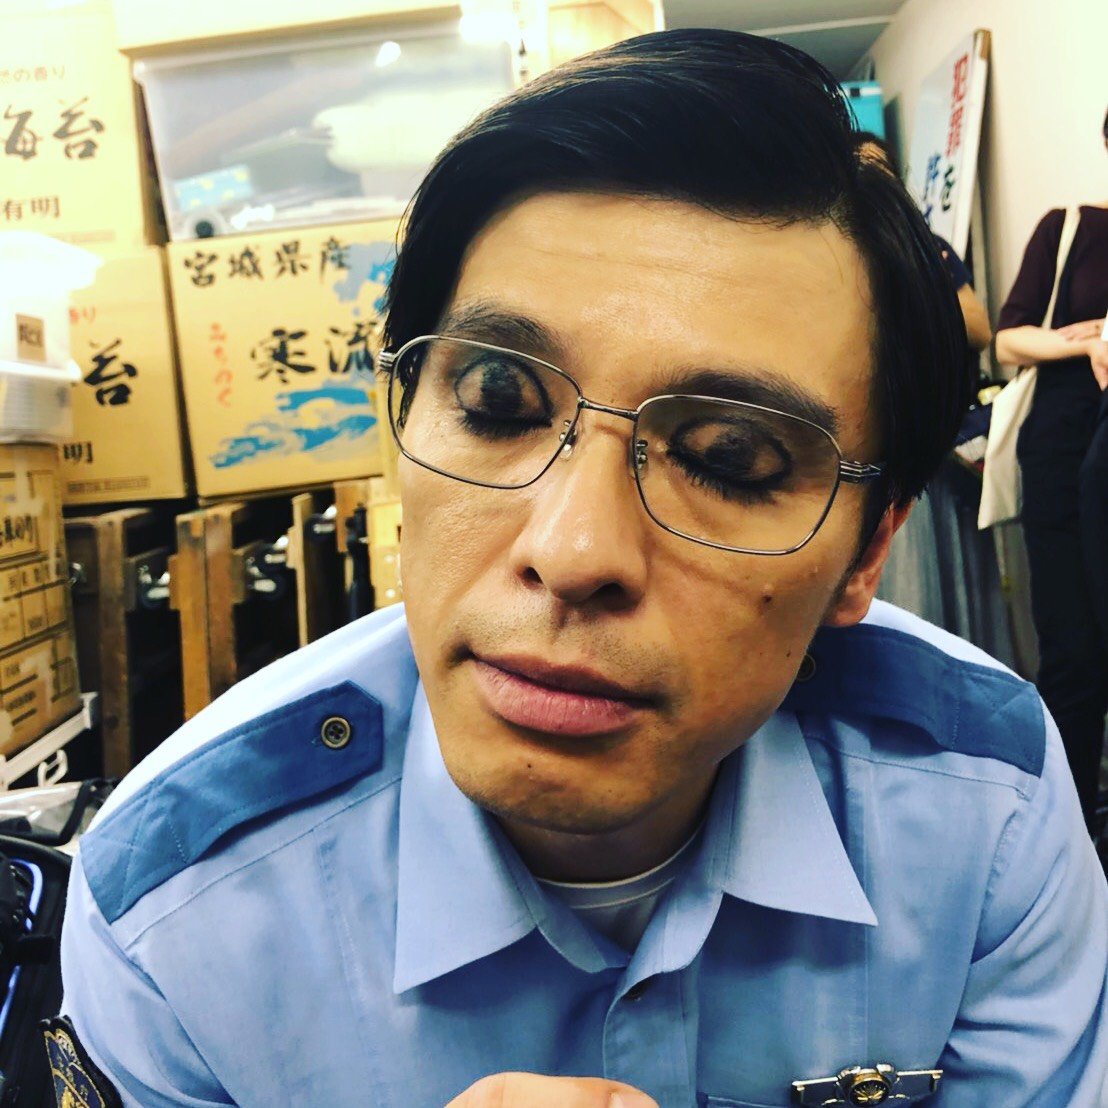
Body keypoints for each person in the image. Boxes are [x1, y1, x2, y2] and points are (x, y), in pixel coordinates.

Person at [49, 31, 1107, 1108]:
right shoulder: (172, 912)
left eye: (729, 460)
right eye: (497, 402)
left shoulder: (987, 812)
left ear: (865, 553)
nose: (569, 552)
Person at [994, 109, 1108, 831]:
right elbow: (1008, 338)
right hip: (1064, 448)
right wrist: (1084, 343)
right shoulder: (1068, 227)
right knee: (1073, 652)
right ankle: (1069, 836)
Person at [855, 132, 992, 357]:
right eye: (861, 171)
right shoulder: (837, 259)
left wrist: (924, 286)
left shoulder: (929, 247)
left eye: (879, 171)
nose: (872, 184)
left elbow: (981, 332)